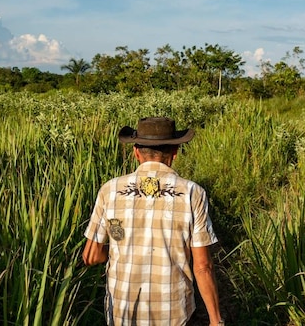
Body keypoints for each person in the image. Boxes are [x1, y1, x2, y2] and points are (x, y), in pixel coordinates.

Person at [82, 116, 223, 326]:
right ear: (174, 153)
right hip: (173, 313)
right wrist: (215, 320)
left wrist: (116, 248)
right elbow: (203, 266)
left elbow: (91, 256)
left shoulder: (109, 190)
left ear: (136, 152)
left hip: (122, 310)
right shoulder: (193, 193)